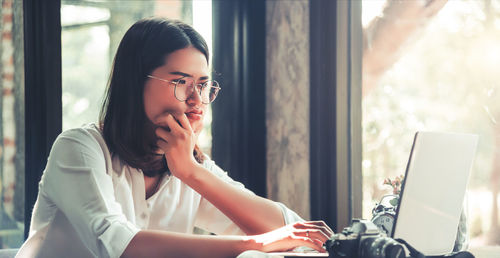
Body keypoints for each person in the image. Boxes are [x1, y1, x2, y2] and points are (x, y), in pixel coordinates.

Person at [16, 17, 333, 258]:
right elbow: (117, 245)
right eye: (181, 82)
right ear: (136, 83)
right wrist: (254, 244)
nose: (196, 99)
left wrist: (192, 173)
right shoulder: (79, 148)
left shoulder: (185, 164)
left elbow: (285, 227)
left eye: (203, 85)